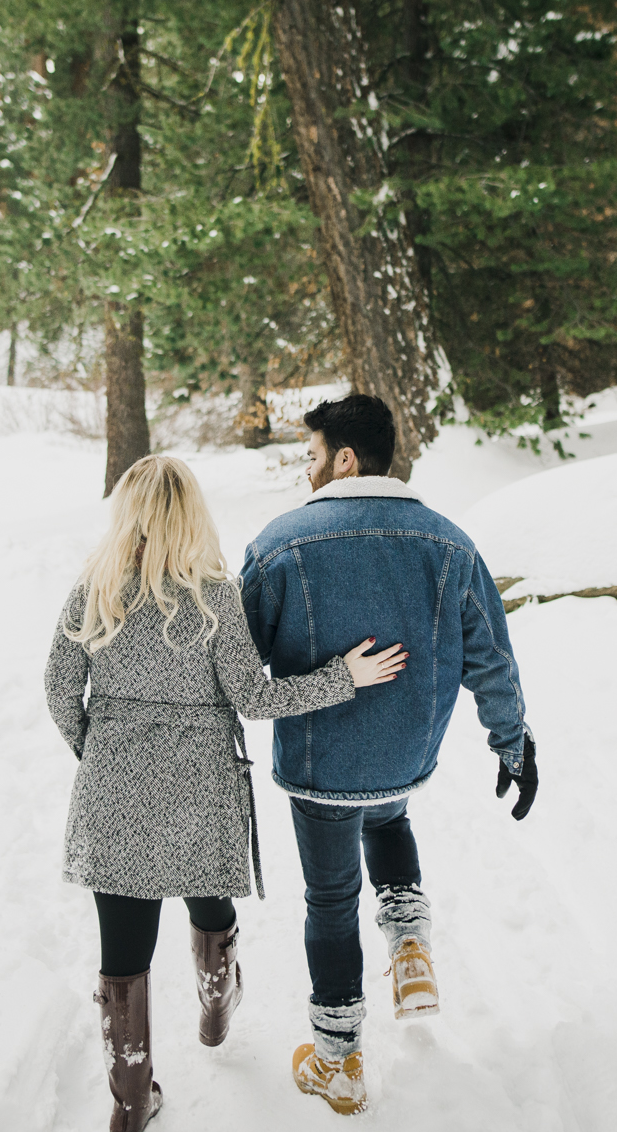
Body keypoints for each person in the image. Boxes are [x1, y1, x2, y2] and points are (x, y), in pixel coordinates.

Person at [44, 454, 408, 1132]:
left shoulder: (93, 589)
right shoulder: (214, 595)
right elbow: (256, 696)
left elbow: (60, 689)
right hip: (200, 783)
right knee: (207, 898)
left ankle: (128, 1102)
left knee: (123, 947)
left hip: (113, 781)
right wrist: (343, 677)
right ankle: (216, 1008)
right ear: (191, 514)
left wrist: (96, 750)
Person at [240, 394, 539, 1116]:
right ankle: (410, 947)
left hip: (320, 763)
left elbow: (238, 666)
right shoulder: (449, 543)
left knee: (332, 900)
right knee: (386, 814)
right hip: (404, 752)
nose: (306, 471)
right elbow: (490, 657)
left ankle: (338, 1059)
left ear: (344, 458)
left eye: (311, 456)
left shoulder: (279, 545)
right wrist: (514, 740)